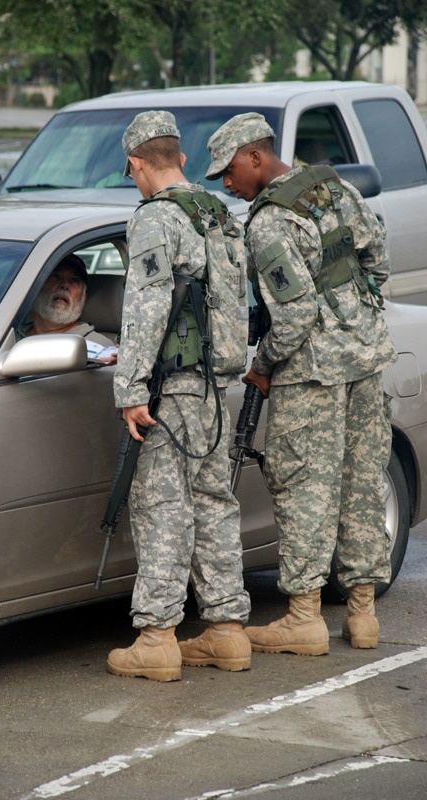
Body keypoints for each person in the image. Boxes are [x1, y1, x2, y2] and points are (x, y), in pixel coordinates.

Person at [205, 112, 398, 656]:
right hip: (364, 359)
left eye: (228, 171)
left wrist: (261, 364)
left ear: (255, 157)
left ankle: (305, 618)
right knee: (361, 483)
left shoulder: (268, 222)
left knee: (304, 488)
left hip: (310, 375)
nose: (226, 184)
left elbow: (290, 317)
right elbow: (376, 260)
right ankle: (362, 616)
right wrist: (349, 318)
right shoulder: (332, 188)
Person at [107, 110, 251, 682]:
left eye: (131, 172)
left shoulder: (154, 220)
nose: (134, 180)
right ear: (183, 158)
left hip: (172, 386)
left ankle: (158, 636)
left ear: (138, 164)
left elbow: (146, 308)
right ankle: (226, 632)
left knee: (162, 505)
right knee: (215, 502)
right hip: (217, 386)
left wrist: (131, 388)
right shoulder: (219, 212)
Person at [19, 254, 117, 362]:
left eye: (74, 280)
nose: (64, 285)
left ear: (83, 298)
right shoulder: (8, 337)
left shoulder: (98, 348)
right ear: (34, 289)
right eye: (55, 276)